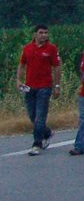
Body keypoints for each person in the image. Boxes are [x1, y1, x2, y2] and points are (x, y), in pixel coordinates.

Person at [18, 25, 61, 155]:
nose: (43, 35)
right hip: (30, 86)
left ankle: (37, 144)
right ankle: (46, 132)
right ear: (35, 34)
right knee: (32, 115)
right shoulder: (27, 48)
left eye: (46, 33)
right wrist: (18, 80)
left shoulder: (51, 49)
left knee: (40, 116)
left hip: (45, 87)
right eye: (41, 32)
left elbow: (56, 67)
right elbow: (21, 65)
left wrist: (57, 86)